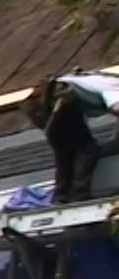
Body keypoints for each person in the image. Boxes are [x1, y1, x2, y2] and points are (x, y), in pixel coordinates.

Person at [20, 75, 101, 204]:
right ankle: (77, 194)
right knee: (84, 154)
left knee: (65, 160)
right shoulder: (57, 93)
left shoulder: (50, 93)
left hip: (58, 130)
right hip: (65, 129)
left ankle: (63, 195)